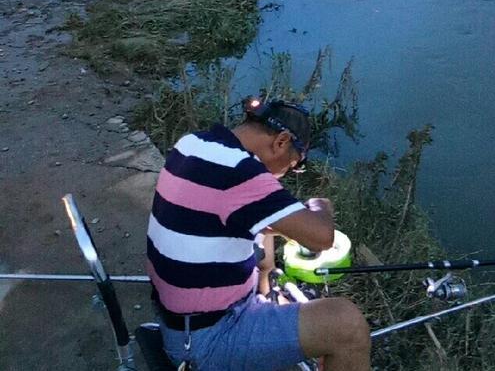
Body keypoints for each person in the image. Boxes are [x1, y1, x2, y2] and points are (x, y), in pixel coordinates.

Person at [147, 98, 371, 371]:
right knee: (346, 324)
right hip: (206, 340)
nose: (287, 173)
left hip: (181, 322)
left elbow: (231, 214)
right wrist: (320, 205)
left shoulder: (194, 144)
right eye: (293, 164)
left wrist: (264, 289)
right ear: (281, 141)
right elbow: (322, 238)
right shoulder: (241, 172)